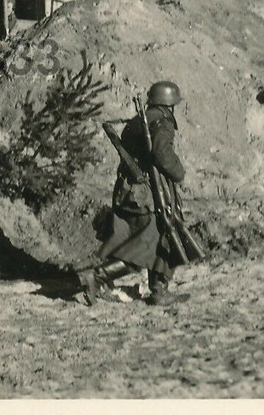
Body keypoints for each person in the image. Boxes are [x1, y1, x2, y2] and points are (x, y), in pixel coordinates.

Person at [79, 80, 188, 306]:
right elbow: (162, 154)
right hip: (145, 195)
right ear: (170, 104)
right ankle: (96, 276)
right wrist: (179, 172)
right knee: (144, 248)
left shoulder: (139, 120)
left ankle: (158, 291)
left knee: (153, 242)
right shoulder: (162, 122)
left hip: (129, 192)